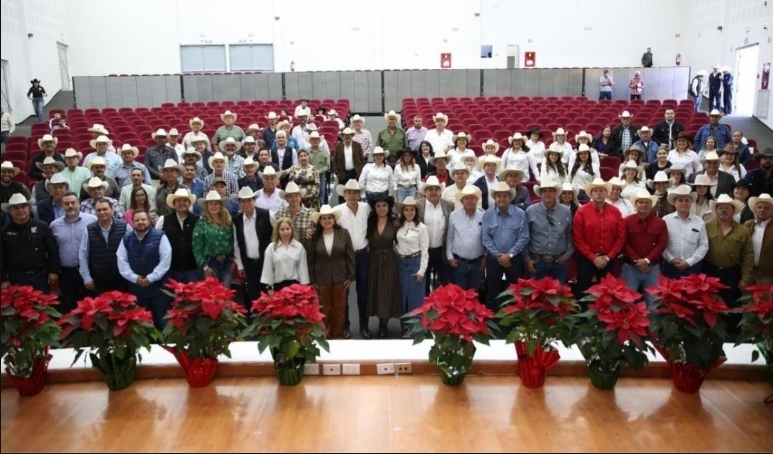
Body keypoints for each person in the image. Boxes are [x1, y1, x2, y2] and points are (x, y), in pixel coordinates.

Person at [703, 194, 754, 339]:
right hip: (710, 271)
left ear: (733, 210)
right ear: (716, 210)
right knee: (710, 304)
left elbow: (748, 255)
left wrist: (746, 277)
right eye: (720, 207)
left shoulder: (742, 230)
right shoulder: (706, 226)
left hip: (732, 273)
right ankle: (710, 336)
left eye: (727, 207)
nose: (723, 210)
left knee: (732, 305)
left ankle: (732, 337)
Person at [116, 210, 171, 329]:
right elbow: (121, 261)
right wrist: (135, 278)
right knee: (142, 320)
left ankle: (166, 340)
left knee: (162, 318)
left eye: (143, 219)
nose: (140, 222)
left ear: (149, 220)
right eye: (137, 220)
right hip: (137, 288)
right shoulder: (126, 239)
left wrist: (151, 278)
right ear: (133, 222)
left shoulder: (160, 236)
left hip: (158, 287)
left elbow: (166, 259)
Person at [572, 178, 625, 297]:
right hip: (586, 259)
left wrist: (609, 256)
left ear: (606, 193)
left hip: (608, 259)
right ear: (591, 194)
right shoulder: (581, 211)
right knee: (583, 291)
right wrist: (593, 258)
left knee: (608, 293)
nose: (598, 193)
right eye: (595, 191)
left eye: (601, 190)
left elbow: (620, 237)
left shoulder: (615, 211)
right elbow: (577, 238)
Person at [308, 205, 354, 339]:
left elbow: (350, 255)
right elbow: (310, 259)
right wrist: (312, 279)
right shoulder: (314, 236)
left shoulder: (343, 233)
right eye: (324, 218)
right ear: (320, 221)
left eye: (329, 218)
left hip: (341, 276)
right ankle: (325, 336)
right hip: (321, 278)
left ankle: (338, 336)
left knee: (340, 308)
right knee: (324, 308)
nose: (327, 221)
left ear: (334, 220)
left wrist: (351, 276)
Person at [481, 182, 529, 311]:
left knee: (515, 292)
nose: (502, 199)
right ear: (495, 198)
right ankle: (493, 318)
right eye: (499, 196)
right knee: (493, 290)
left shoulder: (520, 214)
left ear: (510, 198)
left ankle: (513, 317)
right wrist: (499, 256)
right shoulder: (488, 214)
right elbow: (485, 237)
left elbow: (524, 237)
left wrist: (509, 255)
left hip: (515, 258)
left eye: (505, 196)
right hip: (494, 259)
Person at [333, 180, 371, 339]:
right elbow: (326, 226)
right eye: (349, 192)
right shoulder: (337, 211)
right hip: (345, 257)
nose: (352, 195)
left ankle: (364, 326)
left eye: (355, 192)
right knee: (344, 293)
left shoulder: (366, 208)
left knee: (363, 293)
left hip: (363, 255)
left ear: (359, 195)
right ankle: (345, 326)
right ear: (344, 194)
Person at [0, 194, 59, 292]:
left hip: (41, 277)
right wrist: (3, 279)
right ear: (10, 211)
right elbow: (1, 257)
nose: (20, 210)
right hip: (16, 278)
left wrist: (53, 271)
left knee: (43, 302)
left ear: (29, 208)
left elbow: (52, 250)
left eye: (23, 207)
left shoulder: (42, 226)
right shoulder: (4, 232)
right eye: (15, 208)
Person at [50, 193, 96, 313]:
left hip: (89, 270)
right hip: (66, 272)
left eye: (73, 202)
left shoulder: (92, 220)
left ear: (79, 203)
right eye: (66, 203)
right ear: (61, 205)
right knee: (69, 305)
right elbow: (52, 250)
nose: (70, 206)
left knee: (91, 305)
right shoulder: (54, 225)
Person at [621, 189, 668, 306]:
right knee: (627, 302)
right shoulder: (626, 221)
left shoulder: (660, 223)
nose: (644, 205)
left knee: (654, 303)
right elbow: (623, 243)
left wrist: (647, 260)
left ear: (651, 205)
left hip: (652, 268)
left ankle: (652, 320)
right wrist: (638, 262)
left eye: (647, 202)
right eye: (640, 202)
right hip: (630, 268)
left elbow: (662, 244)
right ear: (635, 204)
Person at [523, 178, 574, 283]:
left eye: (551, 191)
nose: (547, 194)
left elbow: (569, 234)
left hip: (559, 262)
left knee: (560, 292)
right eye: (544, 191)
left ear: (555, 194)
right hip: (537, 262)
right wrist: (527, 259)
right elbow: (525, 236)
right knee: (535, 292)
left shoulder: (565, 211)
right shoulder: (531, 211)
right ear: (540, 194)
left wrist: (567, 255)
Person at [366, 193, 402, 338]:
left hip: (389, 259)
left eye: (384, 205)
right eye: (378, 206)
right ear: (374, 208)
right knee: (376, 290)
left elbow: (402, 239)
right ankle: (375, 320)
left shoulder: (395, 222)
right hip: (373, 259)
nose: (381, 208)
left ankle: (383, 324)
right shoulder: (370, 221)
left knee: (386, 290)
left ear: (389, 206)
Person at [79, 198, 131, 295]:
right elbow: (83, 255)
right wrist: (86, 277)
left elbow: (133, 250)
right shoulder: (89, 229)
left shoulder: (125, 227)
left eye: (105, 209)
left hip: (122, 277)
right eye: (99, 210)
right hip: (99, 280)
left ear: (112, 210)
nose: (102, 212)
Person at [394, 196, 429, 337]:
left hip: (415, 262)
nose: (409, 212)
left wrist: (422, 271)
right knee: (403, 296)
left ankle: (418, 330)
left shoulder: (422, 228)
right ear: (403, 212)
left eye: (412, 210)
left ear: (416, 211)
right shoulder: (399, 226)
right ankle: (406, 327)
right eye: (406, 210)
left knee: (416, 298)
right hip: (401, 263)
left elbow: (425, 250)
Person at [231, 187, 272, 306]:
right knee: (253, 293)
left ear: (254, 201)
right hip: (249, 263)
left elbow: (278, 232)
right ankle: (255, 316)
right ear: (239, 203)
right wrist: (240, 265)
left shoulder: (267, 214)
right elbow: (236, 244)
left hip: (266, 261)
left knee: (267, 293)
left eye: (249, 200)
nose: (246, 204)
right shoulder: (236, 220)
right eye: (243, 201)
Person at [416, 176, 453, 296]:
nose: (433, 192)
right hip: (423, 251)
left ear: (440, 191)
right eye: (430, 189)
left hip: (441, 251)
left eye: (436, 189)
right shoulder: (418, 206)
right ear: (425, 192)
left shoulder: (449, 205)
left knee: (446, 283)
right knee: (423, 284)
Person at [155, 188, 202, 284]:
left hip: (193, 269)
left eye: (185, 200)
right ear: (174, 203)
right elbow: (157, 241)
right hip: (170, 269)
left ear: (189, 203)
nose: (182, 203)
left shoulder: (198, 220)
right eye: (179, 200)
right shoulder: (163, 219)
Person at [662, 185, 709, 278]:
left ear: (691, 203)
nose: (684, 203)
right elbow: (661, 243)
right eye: (680, 200)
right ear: (674, 203)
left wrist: (689, 261)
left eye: (687, 200)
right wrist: (671, 259)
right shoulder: (666, 220)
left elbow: (704, 245)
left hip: (692, 266)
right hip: (669, 265)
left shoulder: (699, 221)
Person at [446, 186, 486, 291]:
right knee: (459, 294)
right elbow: (450, 237)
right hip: (459, 263)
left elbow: (487, 238)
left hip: (478, 263)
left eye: (472, 198)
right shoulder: (454, 215)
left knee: (474, 294)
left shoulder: (484, 215)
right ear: (462, 201)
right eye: (466, 198)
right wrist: (449, 257)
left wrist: (486, 256)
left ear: (477, 200)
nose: (469, 201)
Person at [192, 190, 234, 288]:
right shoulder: (201, 223)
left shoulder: (228, 221)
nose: (213, 206)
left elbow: (234, 241)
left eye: (216, 203)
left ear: (220, 206)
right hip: (210, 263)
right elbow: (196, 246)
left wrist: (235, 260)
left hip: (227, 262)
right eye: (210, 203)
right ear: (206, 206)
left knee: (226, 292)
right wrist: (204, 267)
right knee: (212, 293)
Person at [261, 217, 310, 293]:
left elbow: (303, 270)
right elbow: (268, 270)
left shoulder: (299, 247)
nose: (285, 232)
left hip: (295, 287)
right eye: (282, 229)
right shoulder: (271, 248)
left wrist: (304, 289)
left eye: (287, 229)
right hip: (278, 287)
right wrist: (270, 289)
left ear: (292, 229)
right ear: (278, 231)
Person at [273, 182, 314, 247]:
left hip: (306, 250)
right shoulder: (279, 213)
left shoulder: (311, 214)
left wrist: (313, 232)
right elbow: (276, 233)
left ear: (300, 197)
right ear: (286, 199)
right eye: (290, 196)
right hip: (285, 250)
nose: (294, 198)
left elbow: (318, 231)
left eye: (296, 196)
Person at [744, 193, 773, 284]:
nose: (762, 210)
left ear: (772, 210)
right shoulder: (748, 224)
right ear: (754, 210)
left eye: (766, 208)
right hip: (749, 272)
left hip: (768, 276)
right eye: (759, 207)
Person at [0, 162, 31, 227]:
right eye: (3, 172)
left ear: (13, 174)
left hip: (19, 220)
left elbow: (29, 206)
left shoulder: (22, 188)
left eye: (9, 172)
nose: (6, 174)